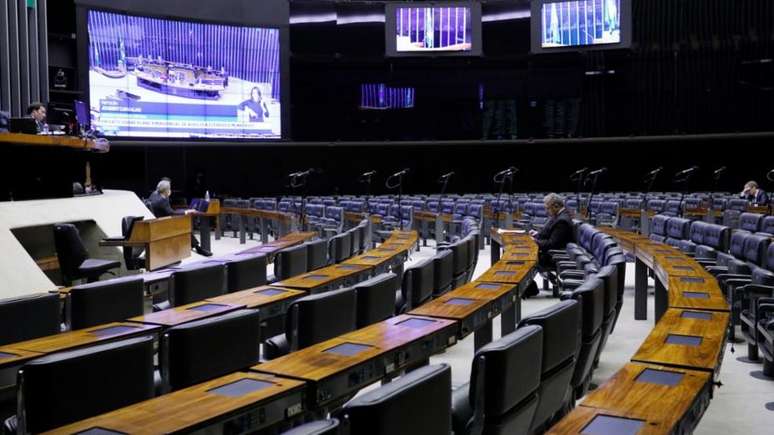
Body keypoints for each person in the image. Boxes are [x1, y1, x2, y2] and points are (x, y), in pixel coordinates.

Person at [523, 193, 575, 298]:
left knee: (523, 256)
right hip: (549, 252)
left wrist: (534, 241)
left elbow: (552, 244)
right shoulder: (557, 216)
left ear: (556, 206)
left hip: (553, 256)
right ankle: (529, 288)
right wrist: (537, 234)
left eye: (548, 208)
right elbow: (548, 233)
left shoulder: (562, 221)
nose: (546, 211)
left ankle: (529, 289)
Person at [149, 179, 212, 257]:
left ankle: (197, 248)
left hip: (158, 221)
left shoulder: (154, 195)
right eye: (169, 188)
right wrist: (186, 212)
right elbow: (171, 213)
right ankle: (198, 248)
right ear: (166, 190)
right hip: (163, 224)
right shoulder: (162, 200)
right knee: (184, 225)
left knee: (183, 224)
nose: (170, 190)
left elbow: (168, 211)